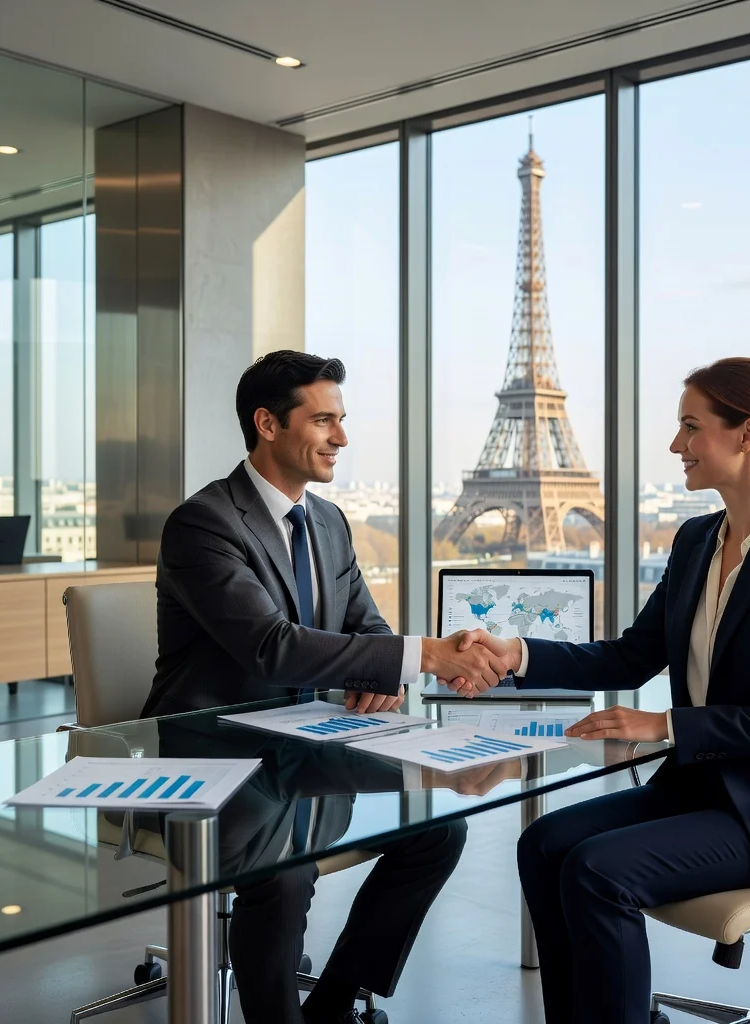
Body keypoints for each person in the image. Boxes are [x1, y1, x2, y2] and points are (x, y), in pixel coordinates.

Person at [451, 358, 750, 1024]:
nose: (676, 444)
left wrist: (665, 726)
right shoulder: (696, 540)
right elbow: (633, 655)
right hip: (705, 790)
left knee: (596, 871)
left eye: (690, 426)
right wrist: (519, 655)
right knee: (542, 846)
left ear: (747, 433)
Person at [141, 350, 507, 1024]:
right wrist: (422, 656)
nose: (341, 436)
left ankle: (334, 1004)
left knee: (439, 832)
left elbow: (367, 627)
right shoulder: (204, 524)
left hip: (309, 748)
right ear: (267, 424)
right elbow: (272, 648)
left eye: (341, 419)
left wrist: (386, 671)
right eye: (323, 420)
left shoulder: (330, 523)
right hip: (215, 755)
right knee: (283, 874)